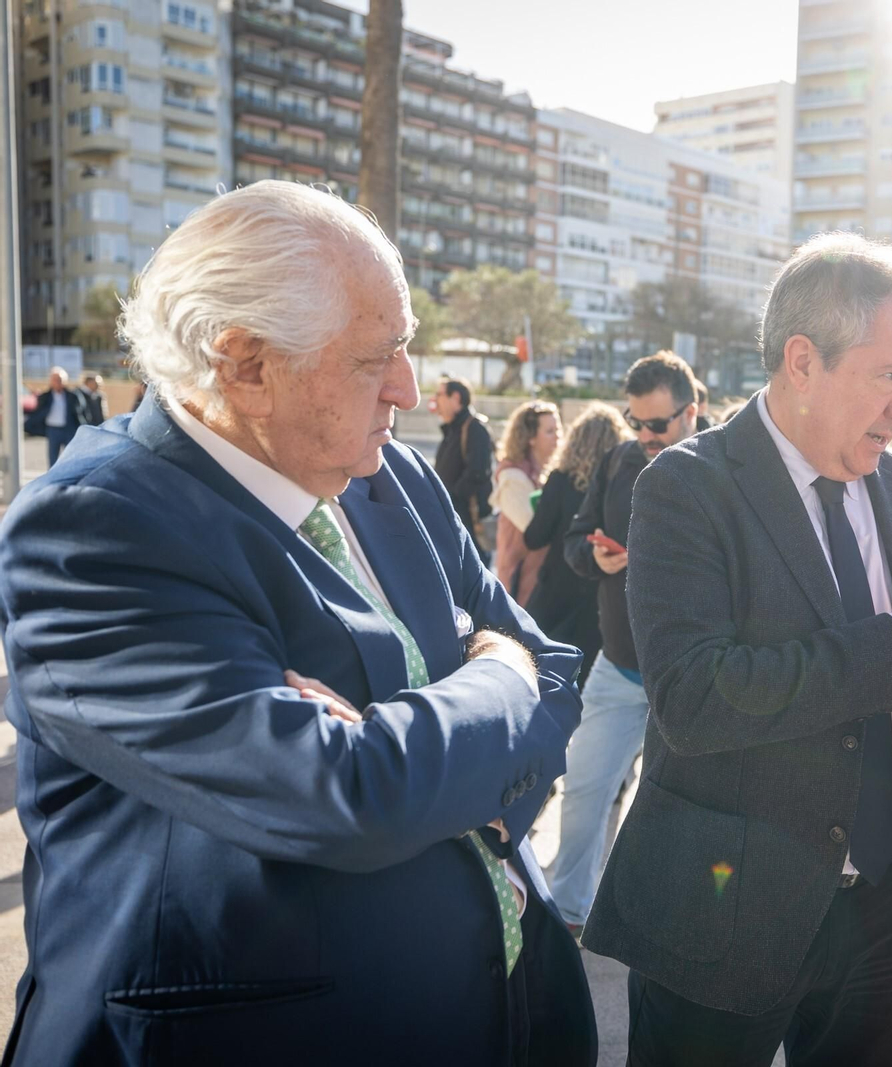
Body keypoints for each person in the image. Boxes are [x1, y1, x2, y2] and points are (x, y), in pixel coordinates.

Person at [0, 181, 595, 1065]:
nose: (409, 388)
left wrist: (446, 758)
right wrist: (495, 676)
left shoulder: (388, 472)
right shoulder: (92, 531)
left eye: (407, 345)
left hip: (503, 1000)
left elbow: (553, 665)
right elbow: (347, 795)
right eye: (375, 357)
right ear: (245, 364)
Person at [582, 232, 892, 1067]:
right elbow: (694, 698)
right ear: (802, 361)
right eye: (891, 375)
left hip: (883, 915)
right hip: (726, 912)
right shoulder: (686, 486)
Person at [548, 351, 700, 934]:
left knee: (681, 813)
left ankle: (675, 926)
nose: (644, 435)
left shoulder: (728, 467)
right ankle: (567, 915)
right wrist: (595, 558)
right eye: (635, 421)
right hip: (617, 668)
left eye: (656, 424)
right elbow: (573, 538)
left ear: (691, 412)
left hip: (693, 677)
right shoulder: (618, 459)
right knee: (584, 791)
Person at [525, 403, 631, 690]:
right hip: (599, 601)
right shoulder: (620, 487)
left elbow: (534, 538)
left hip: (555, 594)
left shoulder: (560, 479)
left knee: (541, 679)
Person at [491, 400, 561, 605]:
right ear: (530, 438)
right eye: (550, 431)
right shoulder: (512, 477)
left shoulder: (548, 472)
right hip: (519, 580)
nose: (558, 436)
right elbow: (535, 529)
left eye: (558, 429)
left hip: (542, 579)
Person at [432, 375, 494, 560]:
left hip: (468, 522)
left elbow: (478, 473)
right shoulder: (452, 429)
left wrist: (451, 498)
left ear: (456, 398)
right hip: (451, 519)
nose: (435, 400)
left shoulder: (475, 428)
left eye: (439, 395)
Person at [23, 367, 87, 467]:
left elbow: (80, 412)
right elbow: (38, 413)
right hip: (52, 430)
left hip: (68, 429)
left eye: (60, 380)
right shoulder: (45, 396)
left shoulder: (72, 396)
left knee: (70, 457)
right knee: (53, 458)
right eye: (55, 380)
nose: (57, 382)